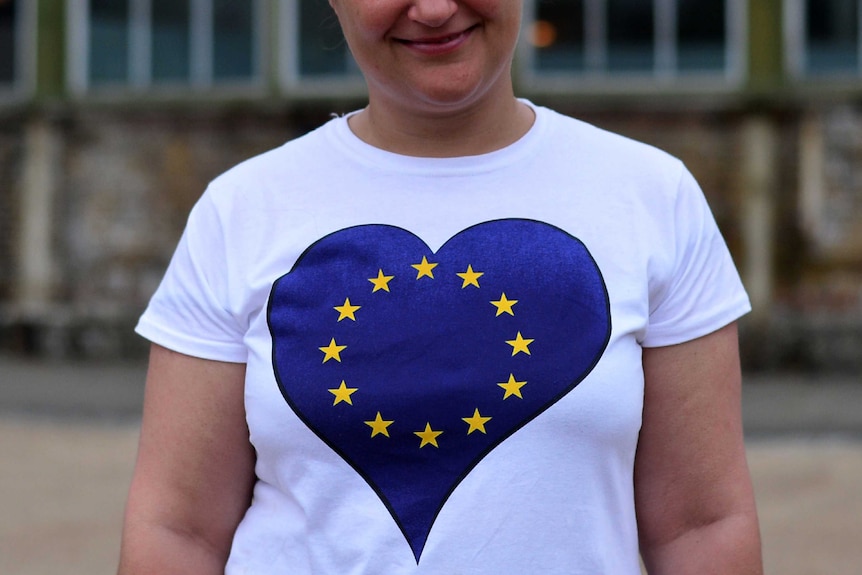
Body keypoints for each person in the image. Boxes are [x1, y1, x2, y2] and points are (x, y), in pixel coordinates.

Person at [118, 1, 763, 573]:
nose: (431, 10)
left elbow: (700, 528)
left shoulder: (652, 196)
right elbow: (178, 532)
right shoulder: (240, 211)